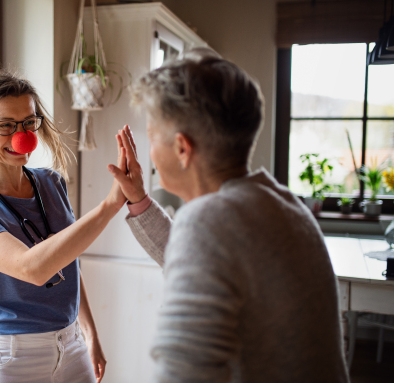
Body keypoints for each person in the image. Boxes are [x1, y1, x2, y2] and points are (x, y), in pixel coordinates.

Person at [107, 49, 350, 382]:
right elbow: (200, 254)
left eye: (151, 137)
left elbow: (182, 375)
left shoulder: (210, 222)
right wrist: (137, 197)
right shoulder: (282, 205)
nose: (148, 151)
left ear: (182, 148)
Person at [0, 70, 127, 383]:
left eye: (29, 122)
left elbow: (65, 261)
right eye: (5, 126)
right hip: (9, 355)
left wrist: (89, 333)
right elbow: (32, 268)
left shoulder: (51, 183)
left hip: (70, 345)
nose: (22, 135)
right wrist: (110, 205)